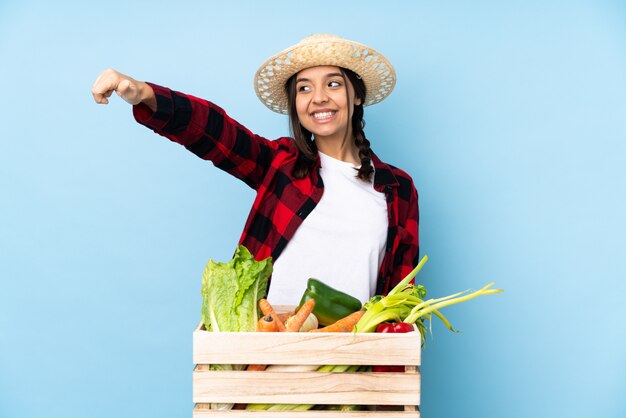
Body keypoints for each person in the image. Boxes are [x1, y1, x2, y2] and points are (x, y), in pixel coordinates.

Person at [92, 34, 419, 306]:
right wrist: (146, 95)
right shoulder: (281, 164)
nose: (318, 98)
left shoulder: (397, 188)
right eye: (304, 88)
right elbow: (216, 132)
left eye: (333, 84)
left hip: (350, 362)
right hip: (264, 351)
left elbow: (401, 293)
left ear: (357, 95)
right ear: (295, 105)